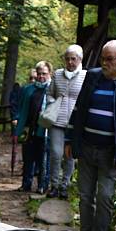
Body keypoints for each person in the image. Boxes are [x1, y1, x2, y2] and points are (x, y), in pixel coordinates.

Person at [65, 39, 116, 231]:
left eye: (109, 59)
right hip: (87, 147)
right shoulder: (93, 77)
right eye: (102, 58)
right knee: (86, 196)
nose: (104, 63)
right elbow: (78, 109)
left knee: (104, 197)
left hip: (110, 152)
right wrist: (70, 139)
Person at [46, 44, 86, 199]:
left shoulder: (85, 76)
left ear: (80, 59)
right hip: (57, 121)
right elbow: (49, 94)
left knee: (69, 155)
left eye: (73, 59)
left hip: (74, 123)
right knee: (56, 154)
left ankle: (65, 186)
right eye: (67, 59)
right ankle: (54, 186)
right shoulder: (57, 74)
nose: (70, 62)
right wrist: (53, 103)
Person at [12, 61, 52, 193]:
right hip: (29, 128)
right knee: (28, 157)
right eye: (39, 74)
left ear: (49, 74)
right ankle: (26, 184)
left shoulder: (52, 89)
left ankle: (42, 185)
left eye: (44, 74)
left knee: (43, 158)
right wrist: (18, 130)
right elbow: (22, 110)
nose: (41, 77)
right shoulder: (28, 89)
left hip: (44, 129)